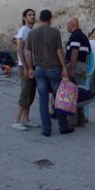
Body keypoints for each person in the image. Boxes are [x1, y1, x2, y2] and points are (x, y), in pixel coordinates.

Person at [25, 9, 72, 137]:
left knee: (43, 100)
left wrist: (30, 68)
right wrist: (64, 67)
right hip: (53, 69)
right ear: (50, 19)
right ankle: (63, 126)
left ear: (40, 19)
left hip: (39, 69)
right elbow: (59, 51)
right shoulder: (55, 32)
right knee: (59, 98)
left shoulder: (32, 33)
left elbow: (28, 53)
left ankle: (46, 129)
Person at [12, 8, 37, 131]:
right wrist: (26, 66)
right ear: (24, 18)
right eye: (29, 15)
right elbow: (20, 48)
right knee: (25, 92)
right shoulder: (24, 30)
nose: (32, 17)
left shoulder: (30, 31)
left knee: (31, 93)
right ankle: (16, 120)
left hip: (31, 65)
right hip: (25, 66)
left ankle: (25, 119)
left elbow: (14, 40)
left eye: (33, 15)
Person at [65, 17, 91, 127]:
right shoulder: (84, 36)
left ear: (72, 25)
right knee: (78, 93)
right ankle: (80, 119)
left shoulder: (75, 35)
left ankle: (72, 121)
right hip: (82, 66)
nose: (66, 27)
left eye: (67, 25)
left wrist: (71, 68)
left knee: (71, 93)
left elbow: (74, 51)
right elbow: (88, 53)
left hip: (75, 66)